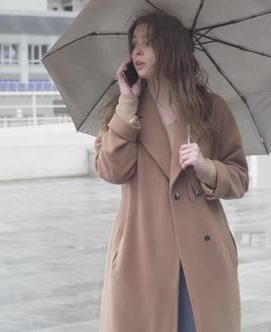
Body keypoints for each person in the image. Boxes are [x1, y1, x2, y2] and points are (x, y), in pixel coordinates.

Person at [94, 10, 249, 332]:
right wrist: (126, 105)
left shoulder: (210, 108)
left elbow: (240, 178)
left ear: (172, 48)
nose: (136, 51)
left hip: (202, 254)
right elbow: (110, 170)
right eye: (133, 43)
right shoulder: (122, 109)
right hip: (142, 252)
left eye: (147, 43)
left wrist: (208, 169)